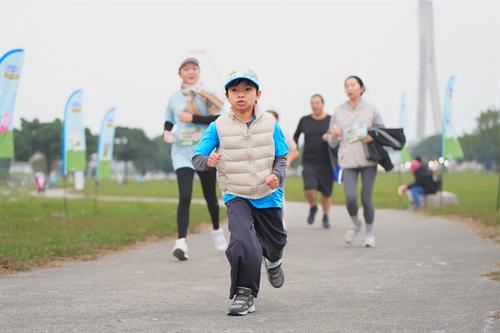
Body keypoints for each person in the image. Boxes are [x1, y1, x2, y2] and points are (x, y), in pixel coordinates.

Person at [192, 69, 288, 316]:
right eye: (234, 90)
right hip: (237, 194)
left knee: (275, 242)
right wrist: (208, 161)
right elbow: (197, 157)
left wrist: (277, 175)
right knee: (242, 243)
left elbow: (281, 156)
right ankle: (244, 294)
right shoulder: (218, 126)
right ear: (227, 95)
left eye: (247, 90)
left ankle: (274, 259)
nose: (241, 95)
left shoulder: (270, 124)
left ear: (258, 94)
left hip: (268, 194)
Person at [163, 57, 227, 261]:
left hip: (204, 151)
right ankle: (181, 241)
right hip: (182, 152)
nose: (190, 72)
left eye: (194, 69)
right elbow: (169, 119)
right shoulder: (174, 98)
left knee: (210, 197)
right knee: (185, 196)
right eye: (186, 69)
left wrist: (194, 119)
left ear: (199, 72)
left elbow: (219, 118)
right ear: (180, 73)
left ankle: (217, 231)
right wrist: (166, 132)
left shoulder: (208, 94)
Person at [328, 75, 384, 248]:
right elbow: (331, 141)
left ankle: (369, 233)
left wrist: (371, 137)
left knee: (366, 198)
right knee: (351, 197)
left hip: (368, 159)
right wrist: (335, 135)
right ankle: (355, 222)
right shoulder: (337, 111)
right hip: (347, 160)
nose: (349, 88)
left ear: (361, 87)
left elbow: (382, 132)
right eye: (347, 86)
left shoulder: (371, 109)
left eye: (353, 85)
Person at [293, 94, 333, 228]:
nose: (315, 105)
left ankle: (326, 216)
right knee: (309, 188)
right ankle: (313, 206)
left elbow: (338, 139)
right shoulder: (304, 120)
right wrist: (295, 150)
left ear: (323, 104)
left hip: (327, 163)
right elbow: (295, 137)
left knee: (326, 194)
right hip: (309, 161)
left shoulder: (331, 120)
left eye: (317, 103)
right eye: (312, 103)